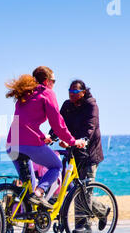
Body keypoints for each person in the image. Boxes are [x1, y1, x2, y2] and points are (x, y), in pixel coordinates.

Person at [6, 67, 86, 209]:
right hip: (29, 144)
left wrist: (42, 137)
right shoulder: (47, 93)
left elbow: (24, 122)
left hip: (12, 143)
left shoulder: (25, 93)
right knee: (56, 166)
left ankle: (29, 224)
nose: (54, 84)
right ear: (47, 81)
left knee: (28, 187)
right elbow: (57, 123)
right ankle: (40, 192)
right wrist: (73, 141)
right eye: (54, 81)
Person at [50, 79, 109, 233]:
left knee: (86, 189)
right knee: (78, 189)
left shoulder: (91, 105)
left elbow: (91, 126)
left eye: (75, 91)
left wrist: (82, 141)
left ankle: (83, 225)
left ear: (83, 92)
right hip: (73, 152)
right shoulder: (67, 106)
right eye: (70, 91)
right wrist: (51, 137)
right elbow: (58, 124)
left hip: (89, 152)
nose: (72, 94)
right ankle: (102, 210)